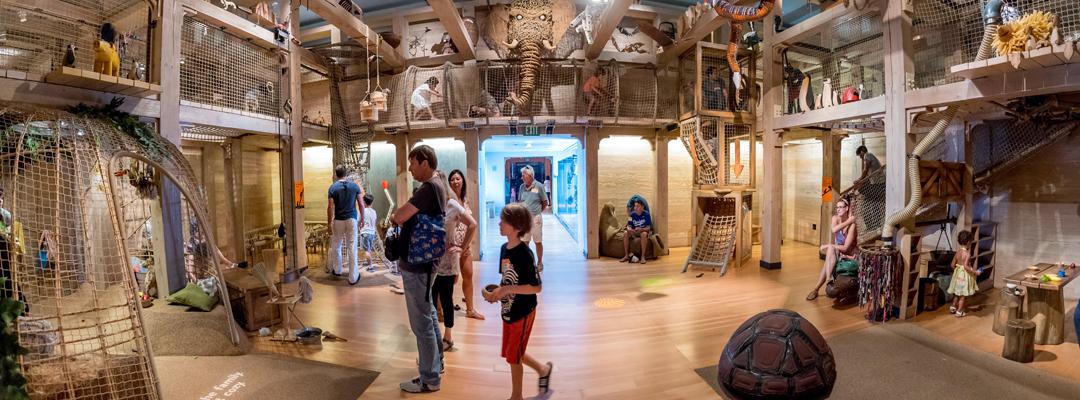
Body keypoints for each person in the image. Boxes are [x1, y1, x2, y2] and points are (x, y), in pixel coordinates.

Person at [391, 145, 447, 394]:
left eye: (412, 163)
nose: (410, 169)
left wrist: (396, 214)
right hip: (426, 262)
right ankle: (436, 364)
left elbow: (399, 216)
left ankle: (429, 378)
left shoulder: (428, 189)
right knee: (429, 313)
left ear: (425, 162)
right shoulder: (438, 185)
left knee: (421, 323)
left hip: (418, 264)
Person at [484, 203, 553, 400]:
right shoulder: (503, 249)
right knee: (513, 353)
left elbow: (536, 287)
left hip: (523, 311)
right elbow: (507, 279)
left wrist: (506, 290)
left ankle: (516, 396)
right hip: (509, 308)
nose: (499, 223)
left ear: (516, 226)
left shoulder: (525, 253)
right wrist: (496, 294)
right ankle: (543, 369)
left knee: (514, 356)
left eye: (503, 221)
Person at [432, 171, 477, 352]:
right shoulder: (430, 205)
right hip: (431, 261)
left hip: (448, 260)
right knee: (431, 299)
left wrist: (462, 247)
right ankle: (434, 335)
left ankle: (448, 336)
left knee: (447, 298)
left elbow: (472, 224)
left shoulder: (451, 204)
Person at [448, 169, 484, 320]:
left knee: (468, 275)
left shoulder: (465, 200)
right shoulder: (449, 201)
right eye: (453, 179)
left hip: (465, 247)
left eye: (458, 178)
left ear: (463, 181)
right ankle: (443, 309)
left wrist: (465, 246)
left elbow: (470, 224)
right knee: (451, 280)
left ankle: (470, 309)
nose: (456, 181)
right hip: (452, 247)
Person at [807, 196, 857, 301]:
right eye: (837, 207)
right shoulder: (835, 218)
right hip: (838, 251)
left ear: (847, 208)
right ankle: (828, 279)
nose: (838, 209)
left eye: (840, 207)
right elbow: (834, 230)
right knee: (831, 250)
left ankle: (816, 289)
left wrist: (828, 245)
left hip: (849, 254)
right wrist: (848, 221)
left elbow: (846, 247)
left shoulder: (852, 226)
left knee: (829, 251)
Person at [327, 165, 364, 285]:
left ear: (336, 174)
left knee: (336, 245)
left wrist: (329, 223)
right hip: (351, 219)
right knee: (352, 247)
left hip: (338, 220)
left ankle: (337, 270)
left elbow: (330, 207)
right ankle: (353, 277)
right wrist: (362, 218)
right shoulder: (354, 186)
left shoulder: (333, 188)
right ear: (346, 173)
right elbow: (361, 204)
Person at [516, 165, 548, 271]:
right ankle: (528, 262)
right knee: (525, 242)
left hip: (536, 218)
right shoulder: (521, 187)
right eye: (522, 175)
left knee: (537, 241)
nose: (522, 177)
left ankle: (539, 262)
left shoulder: (539, 186)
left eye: (524, 175)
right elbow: (520, 201)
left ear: (530, 175)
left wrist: (537, 212)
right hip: (524, 219)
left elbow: (545, 202)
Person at [948, 230, 976, 317]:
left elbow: (952, 265)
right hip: (964, 276)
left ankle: (953, 307)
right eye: (970, 242)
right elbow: (966, 266)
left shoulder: (958, 252)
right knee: (963, 295)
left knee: (957, 292)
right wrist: (975, 271)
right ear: (968, 242)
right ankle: (959, 311)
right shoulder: (967, 254)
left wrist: (957, 271)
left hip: (957, 276)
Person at [620, 199, 652, 264]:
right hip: (634, 232)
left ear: (642, 207)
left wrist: (641, 229)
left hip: (642, 231)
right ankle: (626, 255)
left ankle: (643, 256)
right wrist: (629, 229)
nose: (635, 208)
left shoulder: (646, 214)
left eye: (638, 206)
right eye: (635, 206)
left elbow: (648, 228)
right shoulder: (631, 215)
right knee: (625, 233)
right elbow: (628, 225)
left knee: (644, 234)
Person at [359, 193, 378, 271]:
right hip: (372, 233)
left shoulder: (363, 211)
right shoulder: (374, 211)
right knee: (369, 249)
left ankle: (370, 266)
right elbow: (374, 222)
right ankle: (368, 262)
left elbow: (360, 221)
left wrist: (358, 226)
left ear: (364, 201)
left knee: (367, 250)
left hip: (365, 232)